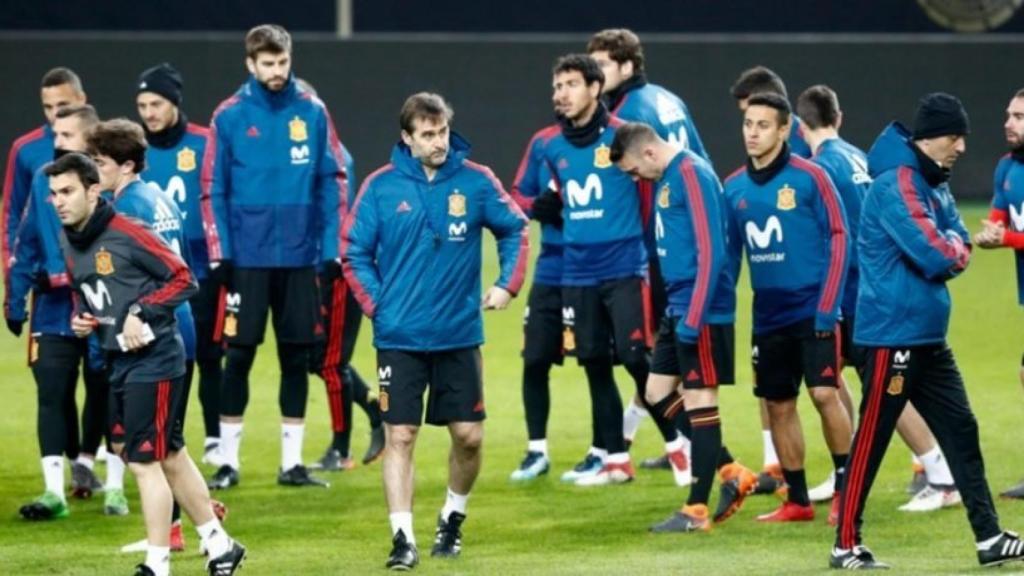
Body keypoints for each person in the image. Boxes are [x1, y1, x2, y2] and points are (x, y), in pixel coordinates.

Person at [831, 93, 1024, 570]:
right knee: (873, 438)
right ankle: (844, 544)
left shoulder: (932, 182)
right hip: (890, 337)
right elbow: (939, 252)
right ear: (930, 136)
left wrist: (953, 244)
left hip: (927, 337)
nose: (961, 146)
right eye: (955, 136)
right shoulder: (898, 184)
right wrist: (956, 248)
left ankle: (988, 538)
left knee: (961, 429)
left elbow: (953, 234)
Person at [343, 92, 528, 569]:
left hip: (459, 335)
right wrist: (378, 306)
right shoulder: (380, 187)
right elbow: (353, 252)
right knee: (400, 435)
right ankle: (402, 539)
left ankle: (452, 517)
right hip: (399, 338)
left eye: (442, 131)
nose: (438, 142)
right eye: (427, 135)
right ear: (407, 138)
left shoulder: (476, 180)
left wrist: (507, 283)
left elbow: (515, 229)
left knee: (469, 437)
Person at [53, 151, 245, 576]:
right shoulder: (70, 239)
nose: (59, 201)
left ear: (92, 190)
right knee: (160, 452)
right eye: (53, 194)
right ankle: (220, 543)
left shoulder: (127, 231)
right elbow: (92, 293)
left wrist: (141, 311)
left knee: (143, 459)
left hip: (155, 359)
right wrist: (85, 319)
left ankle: (157, 564)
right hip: (117, 360)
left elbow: (183, 278)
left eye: (67, 191)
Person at [797, 85, 960, 514]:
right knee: (843, 381)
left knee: (882, 386)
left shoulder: (820, 168)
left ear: (798, 127)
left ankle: (938, 473)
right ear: (839, 117)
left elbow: (836, 234)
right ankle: (848, 472)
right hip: (872, 286)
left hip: (853, 292)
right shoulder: (854, 155)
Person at [201, 24, 348, 489]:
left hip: (301, 259)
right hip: (246, 259)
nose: (277, 71)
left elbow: (332, 180)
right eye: (267, 63)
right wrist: (220, 251)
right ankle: (228, 462)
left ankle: (291, 465)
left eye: (282, 62)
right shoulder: (228, 116)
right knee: (238, 356)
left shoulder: (313, 111)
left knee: (297, 357)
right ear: (250, 64)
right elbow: (213, 189)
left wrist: (329, 250)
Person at [536, 54, 686, 487]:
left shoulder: (625, 137)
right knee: (594, 364)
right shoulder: (553, 147)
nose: (560, 94)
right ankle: (616, 461)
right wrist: (546, 206)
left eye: (569, 84)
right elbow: (545, 197)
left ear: (595, 88)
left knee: (639, 359)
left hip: (624, 267)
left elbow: (662, 186)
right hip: (576, 272)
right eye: (556, 86)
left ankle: (680, 446)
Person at [611, 122, 758, 532]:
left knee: (700, 402)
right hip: (680, 305)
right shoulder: (669, 177)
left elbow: (712, 249)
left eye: (633, 170)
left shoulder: (691, 173)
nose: (635, 178)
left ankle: (696, 509)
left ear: (649, 153)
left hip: (701, 309)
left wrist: (695, 316)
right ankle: (730, 468)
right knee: (657, 392)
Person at [723, 93, 852, 522]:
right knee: (778, 403)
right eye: (747, 124)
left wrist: (828, 307)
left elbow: (840, 237)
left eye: (763, 125)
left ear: (784, 130)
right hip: (768, 316)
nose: (753, 133)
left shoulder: (811, 177)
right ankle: (797, 500)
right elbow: (728, 257)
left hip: (814, 308)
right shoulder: (734, 187)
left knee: (824, 394)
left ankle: (845, 489)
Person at [587, 29, 708, 472]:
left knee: (662, 351)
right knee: (660, 353)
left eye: (602, 66)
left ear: (627, 65)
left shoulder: (628, 115)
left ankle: (699, 448)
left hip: (656, 244)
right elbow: (702, 156)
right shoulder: (667, 98)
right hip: (680, 233)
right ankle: (641, 435)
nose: (596, 77)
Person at [6, 104, 120, 519]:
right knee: (52, 393)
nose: (56, 143)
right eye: (55, 135)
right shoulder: (43, 181)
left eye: (66, 136)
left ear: (89, 141)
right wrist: (15, 298)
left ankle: (112, 483)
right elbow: (26, 240)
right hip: (53, 308)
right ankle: (54, 491)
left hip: (102, 307)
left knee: (107, 391)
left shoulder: (110, 187)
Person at [290, 77, 385, 473]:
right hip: (310, 267)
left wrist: (330, 258)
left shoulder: (331, 155)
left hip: (338, 268)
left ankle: (340, 449)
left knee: (329, 362)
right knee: (320, 359)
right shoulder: (300, 157)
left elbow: (335, 212)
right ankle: (375, 411)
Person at [135, 62, 225, 467]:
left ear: (174, 102)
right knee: (160, 356)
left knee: (208, 355)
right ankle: (165, 433)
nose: (149, 112)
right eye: (142, 104)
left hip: (202, 267)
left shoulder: (205, 143)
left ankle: (214, 436)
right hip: (150, 271)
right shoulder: (134, 149)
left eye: (156, 103)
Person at [506, 124, 562, 481]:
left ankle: (608, 452)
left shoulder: (611, 140)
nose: (562, 93)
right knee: (535, 359)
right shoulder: (543, 142)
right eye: (559, 85)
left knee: (600, 364)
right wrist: (538, 205)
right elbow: (518, 198)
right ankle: (536, 450)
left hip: (602, 271)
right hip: (551, 269)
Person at [977, 88, 1024, 499]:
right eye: (1009, 114)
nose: (1009, 123)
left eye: (1019, 116)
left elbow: (1009, 233)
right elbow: (997, 216)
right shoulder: (1006, 168)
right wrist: (989, 233)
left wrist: (1004, 238)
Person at [4, 67, 87, 289]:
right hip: (47, 284)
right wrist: (18, 272)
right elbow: (13, 214)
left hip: (97, 276)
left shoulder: (103, 141)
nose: (54, 114)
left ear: (82, 99)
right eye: (48, 107)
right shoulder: (25, 149)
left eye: (63, 105)